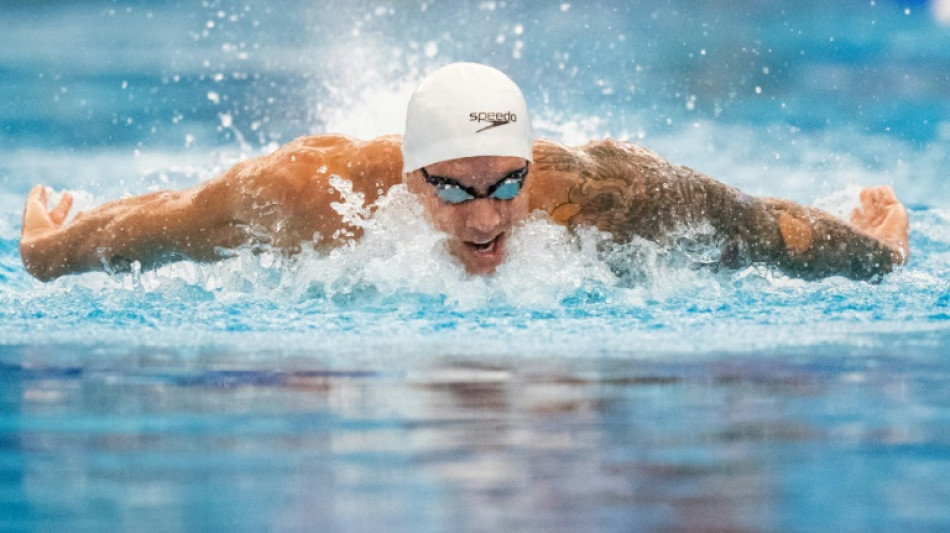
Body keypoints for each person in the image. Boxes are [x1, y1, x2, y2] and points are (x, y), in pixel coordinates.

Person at [20, 62, 909, 282]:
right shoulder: (309, 195)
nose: (485, 218)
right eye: (451, 188)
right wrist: (49, 252)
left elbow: (759, 227)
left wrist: (875, 256)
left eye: (505, 184)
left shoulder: (602, 193)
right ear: (410, 179)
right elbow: (169, 220)